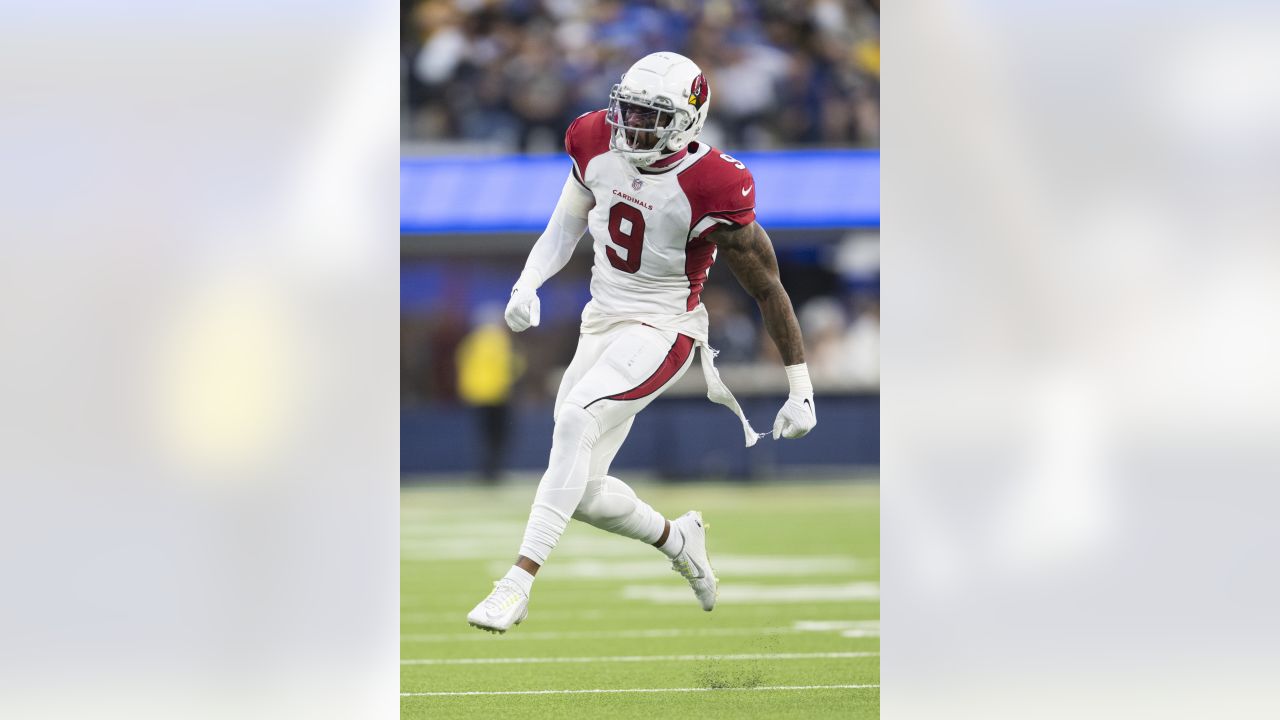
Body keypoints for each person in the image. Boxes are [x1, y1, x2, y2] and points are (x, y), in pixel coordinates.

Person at [467, 51, 817, 633]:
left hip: (663, 327)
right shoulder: (593, 139)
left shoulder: (713, 183)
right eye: (627, 109)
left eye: (651, 116)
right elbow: (566, 223)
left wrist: (800, 388)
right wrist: (527, 283)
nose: (632, 125)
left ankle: (517, 581)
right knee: (582, 489)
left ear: (688, 121)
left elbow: (766, 285)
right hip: (601, 319)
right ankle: (679, 540)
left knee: (577, 417)